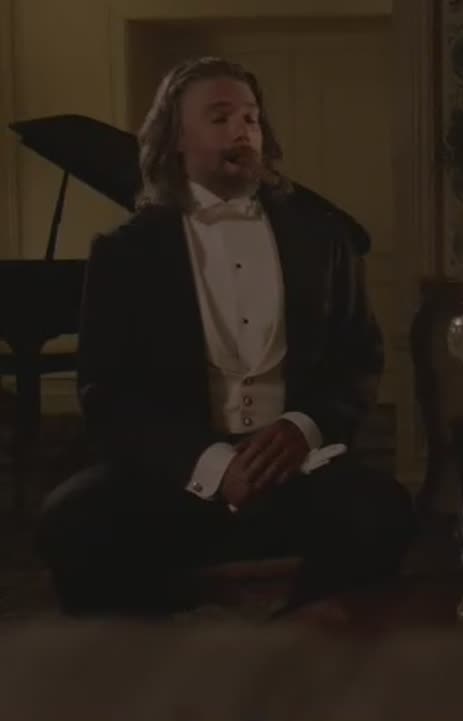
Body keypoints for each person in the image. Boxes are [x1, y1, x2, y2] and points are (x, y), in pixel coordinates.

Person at [35, 57, 416, 617]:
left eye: (251, 118)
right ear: (176, 140)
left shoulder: (322, 238)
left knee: (383, 512)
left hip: (296, 470)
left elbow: (359, 358)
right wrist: (213, 465)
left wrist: (301, 428)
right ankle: (167, 647)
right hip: (178, 473)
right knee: (71, 524)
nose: (243, 130)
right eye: (220, 118)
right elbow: (107, 393)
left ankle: (295, 641)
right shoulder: (125, 251)